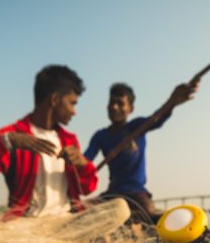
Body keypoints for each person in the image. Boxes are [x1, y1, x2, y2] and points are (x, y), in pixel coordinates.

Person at [0, 65, 98, 220]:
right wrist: (6, 142)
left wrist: (83, 164)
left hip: (67, 222)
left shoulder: (69, 140)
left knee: (119, 210)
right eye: (72, 103)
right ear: (55, 99)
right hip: (27, 227)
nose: (74, 111)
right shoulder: (12, 137)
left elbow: (87, 189)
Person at [83, 81, 198, 218]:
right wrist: (74, 158)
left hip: (136, 194)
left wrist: (172, 101)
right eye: (111, 102)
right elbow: (85, 161)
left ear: (130, 108)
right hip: (113, 193)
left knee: (149, 213)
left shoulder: (137, 127)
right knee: (84, 210)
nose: (114, 107)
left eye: (120, 103)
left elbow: (156, 118)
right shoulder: (100, 136)